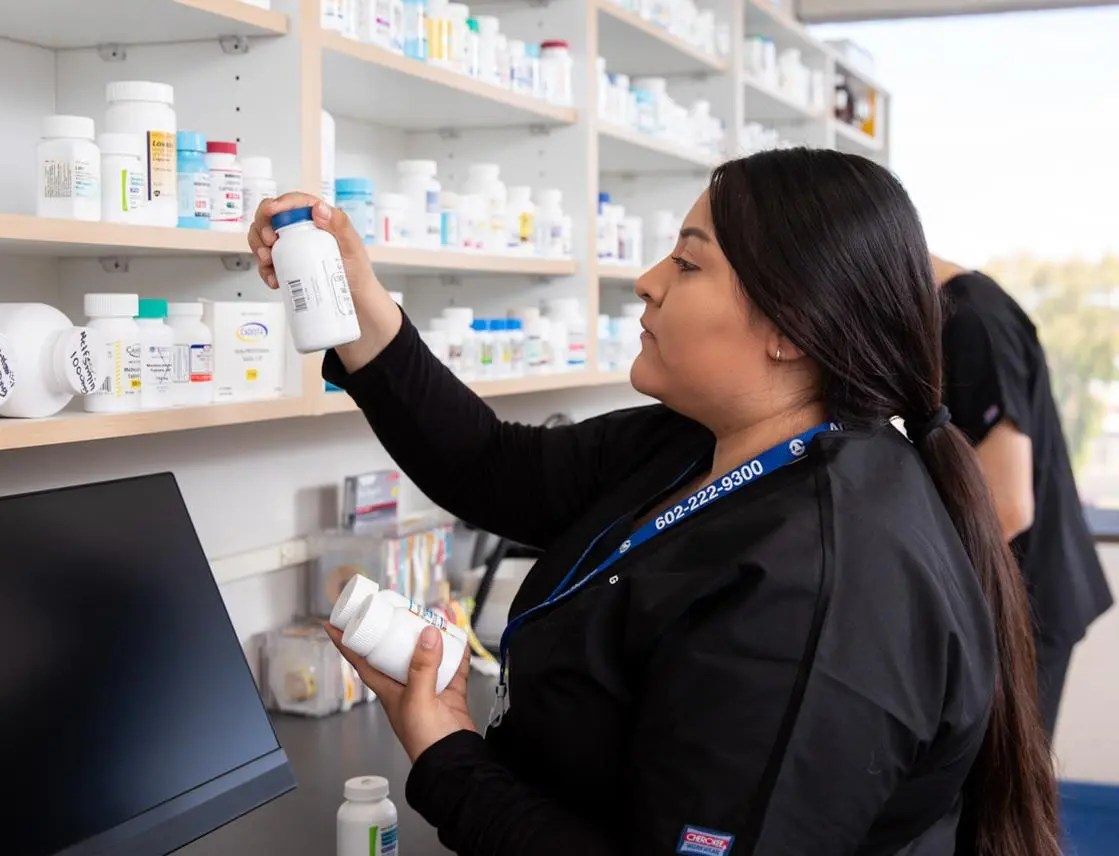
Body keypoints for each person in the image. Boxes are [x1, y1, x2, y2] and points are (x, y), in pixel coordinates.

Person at [248, 150, 1059, 855]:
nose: (646, 282)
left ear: (791, 327)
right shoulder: (697, 442)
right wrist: (354, 305)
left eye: (688, 264)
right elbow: (491, 467)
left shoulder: (819, 588)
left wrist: (447, 754)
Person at [934, 256, 1113, 736]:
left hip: (1028, 601)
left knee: (1007, 777)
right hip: (1018, 594)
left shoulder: (973, 321)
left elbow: (1007, 507)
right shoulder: (966, 312)